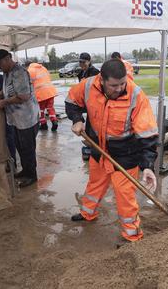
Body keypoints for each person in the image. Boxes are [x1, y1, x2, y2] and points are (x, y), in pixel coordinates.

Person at [65, 59, 158, 242]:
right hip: (98, 149)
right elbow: (71, 101)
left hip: (125, 154)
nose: (119, 88)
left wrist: (147, 165)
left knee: (125, 198)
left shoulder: (136, 95)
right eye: (114, 85)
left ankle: (132, 235)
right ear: (102, 80)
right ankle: (88, 213)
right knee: (94, 184)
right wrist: (77, 119)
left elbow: (147, 135)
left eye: (123, 83)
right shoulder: (89, 85)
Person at [0, 49, 40, 188]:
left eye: (0, 64)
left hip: (27, 118)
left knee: (28, 148)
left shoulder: (19, 72)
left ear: (8, 59)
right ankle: (26, 170)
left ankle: (32, 176)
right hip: (15, 119)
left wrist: (4, 102)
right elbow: (7, 89)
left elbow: (23, 96)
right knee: (20, 146)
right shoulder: (7, 73)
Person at [76, 53, 100, 160]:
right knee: (89, 123)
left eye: (83, 62)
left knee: (93, 123)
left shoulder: (95, 72)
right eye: (80, 62)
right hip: (87, 101)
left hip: (95, 102)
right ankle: (90, 143)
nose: (81, 64)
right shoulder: (81, 73)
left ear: (89, 61)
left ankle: (94, 144)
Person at [25, 61, 58, 131]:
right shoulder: (43, 67)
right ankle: (54, 121)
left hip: (40, 93)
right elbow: (49, 77)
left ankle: (43, 125)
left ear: (27, 66)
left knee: (40, 110)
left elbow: (27, 84)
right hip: (50, 91)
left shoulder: (29, 70)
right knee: (50, 108)